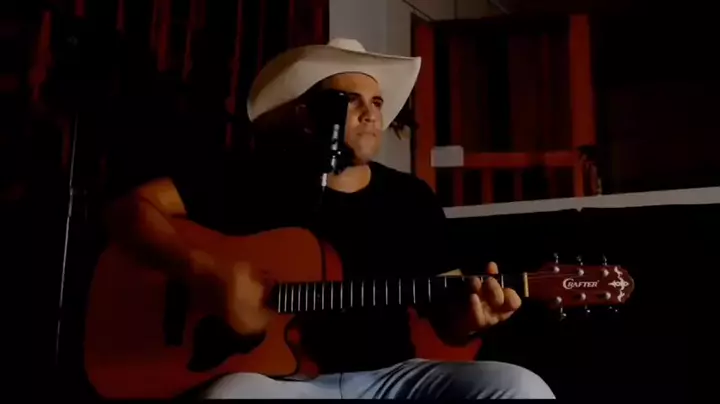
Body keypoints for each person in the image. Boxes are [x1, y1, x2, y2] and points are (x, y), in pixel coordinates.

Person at [106, 38, 555, 399]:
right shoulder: (254, 178)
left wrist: (474, 318)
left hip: (392, 379)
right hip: (279, 383)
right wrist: (201, 271)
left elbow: (448, 324)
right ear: (306, 115)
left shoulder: (411, 198)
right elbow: (130, 209)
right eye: (349, 100)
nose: (371, 113)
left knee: (521, 388)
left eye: (377, 101)